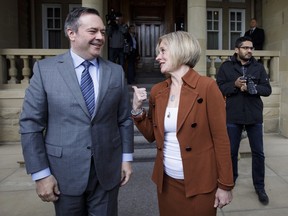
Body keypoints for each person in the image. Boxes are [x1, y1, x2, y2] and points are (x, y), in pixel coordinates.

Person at [19, 7, 134, 216]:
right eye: (93, 31)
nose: (100, 37)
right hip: (64, 173)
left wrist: (126, 158)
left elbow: (124, 120)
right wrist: (41, 174)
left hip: (107, 173)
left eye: (102, 32)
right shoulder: (45, 70)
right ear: (71, 33)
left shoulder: (116, 72)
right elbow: (30, 125)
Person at [131, 31, 234, 216]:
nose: (157, 57)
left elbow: (221, 140)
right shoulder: (157, 91)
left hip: (200, 183)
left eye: (163, 51)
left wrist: (225, 185)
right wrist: (137, 110)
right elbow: (151, 135)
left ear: (180, 51)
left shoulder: (207, 87)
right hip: (167, 183)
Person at [216, 36, 272, 205]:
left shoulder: (258, 67)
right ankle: (230, 180)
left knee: (258, 153)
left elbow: (267, 90)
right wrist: (234, 85)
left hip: (254, 116)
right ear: (236, 49)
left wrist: (252, 89)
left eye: (251, 48)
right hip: (233, 116)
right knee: (231, 152)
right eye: (246, 47)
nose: (249, 50)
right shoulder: (226, 67)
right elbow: (218, 88)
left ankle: (259, 187)